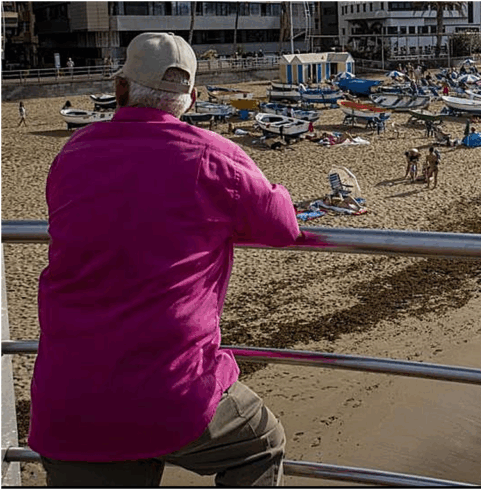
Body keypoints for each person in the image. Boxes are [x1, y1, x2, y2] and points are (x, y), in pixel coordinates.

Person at [30, 32, 302, 487]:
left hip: (69, 401)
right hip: (171, 392)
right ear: (191, 99)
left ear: (120, 90)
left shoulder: (71, 155)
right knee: (264, 443)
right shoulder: (213, 157)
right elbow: (283, 227)